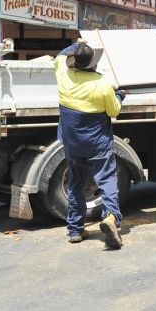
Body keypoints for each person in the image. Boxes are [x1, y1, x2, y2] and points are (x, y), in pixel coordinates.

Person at [55, 39, 127, 248]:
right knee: (107, 181)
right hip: (97, 143)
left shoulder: (63, 75)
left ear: (74, 61)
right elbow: (113, 111)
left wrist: (77, 44)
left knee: (76, 183)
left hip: (72, 143)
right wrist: (120, 96)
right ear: (93, 64)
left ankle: (75, 230)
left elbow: (60, 55)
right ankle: (111, 218)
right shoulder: (102, 84)